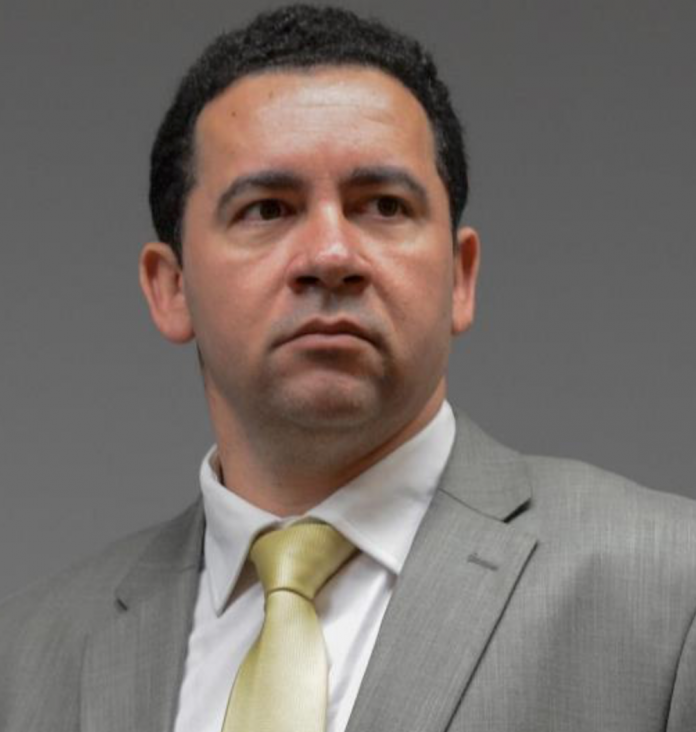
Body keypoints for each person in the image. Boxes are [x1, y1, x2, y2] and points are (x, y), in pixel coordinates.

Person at [1, 5, 695, 731]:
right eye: (268, 209)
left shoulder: (674, 596)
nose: (330, 255)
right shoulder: (21, 664)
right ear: (171, 288)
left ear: (461, 277)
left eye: (384, 206)